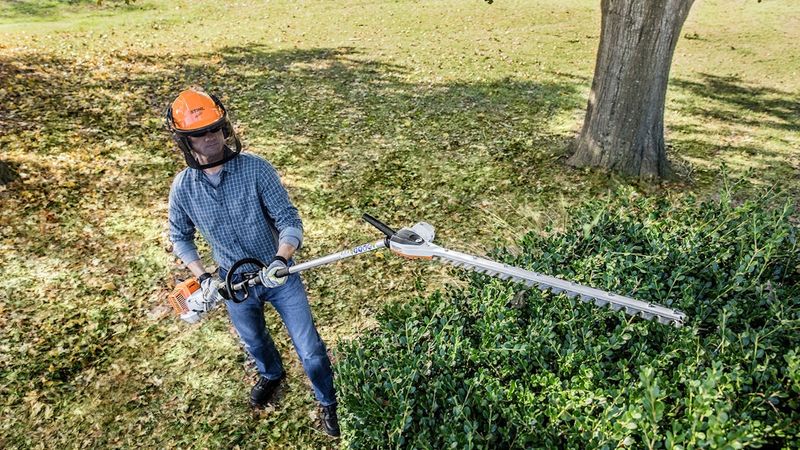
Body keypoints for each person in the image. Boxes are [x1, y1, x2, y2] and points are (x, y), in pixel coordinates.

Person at [165, 88, 340, 437]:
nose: (210, 137)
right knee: (256, 343)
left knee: (311, 351)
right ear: (185, 141)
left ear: (225, 127)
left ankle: (328, 400)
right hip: (234, 285)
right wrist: (204, 277)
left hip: (278, 276)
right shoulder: (183, 187)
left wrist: (281, 258)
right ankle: (272, 374)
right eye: (199, 133)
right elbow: (180, 237)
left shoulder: (256, 169)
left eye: (214, 128)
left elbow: (289, 220)